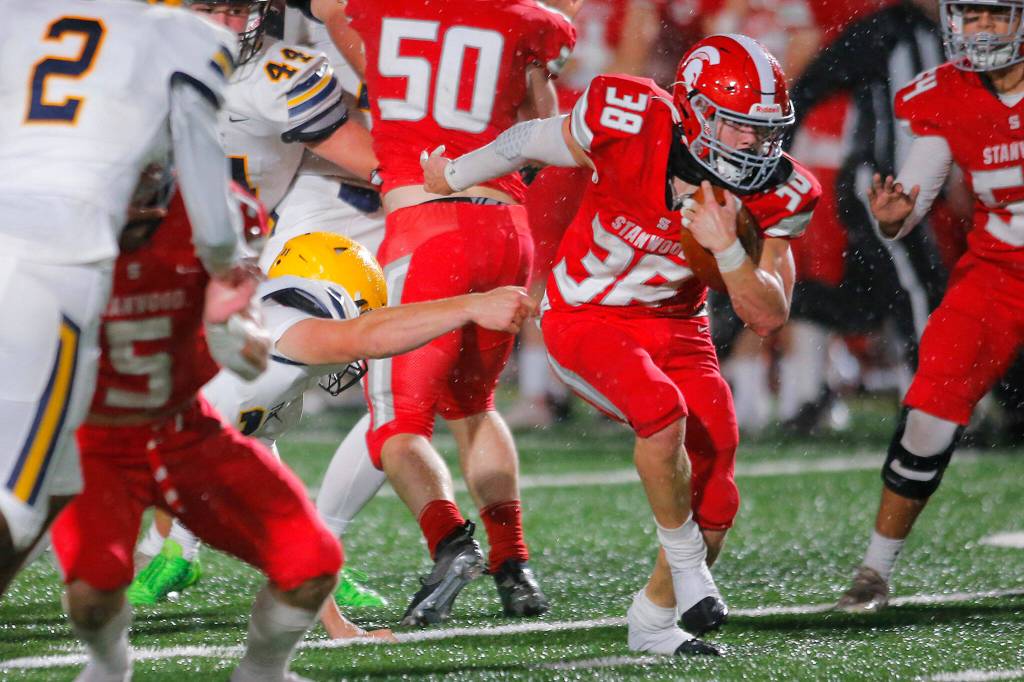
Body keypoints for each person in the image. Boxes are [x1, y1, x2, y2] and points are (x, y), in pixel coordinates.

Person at [423, 33, 821, 655]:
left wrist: (726, 249)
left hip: (678, 327)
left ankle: (654, 621)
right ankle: (690, 569)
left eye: (763, 130)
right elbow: (530, 140)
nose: (751, 143)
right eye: (735, 124)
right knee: (662, 415)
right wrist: (449, 173)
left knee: (717, 489)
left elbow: (767, 313)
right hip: (588, 313)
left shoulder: (784, 188)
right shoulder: (628, 116)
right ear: (689, 108)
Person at [324, 0, 576, 627]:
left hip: (425, 227)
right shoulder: (527, 20)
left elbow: (333, 16)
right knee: (473, 406)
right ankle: (513, 563)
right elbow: (543, 123)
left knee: (397, 423)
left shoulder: (380, 12)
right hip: (505, 228)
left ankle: (450, 543)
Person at [47, 191, 347, 682]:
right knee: (92, 593)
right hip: (93, 438)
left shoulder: (215, 213)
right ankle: (109, 665)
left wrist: (239, 332)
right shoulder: (47, 224)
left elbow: (245, 335)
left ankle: (262, 673)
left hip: (186, 429)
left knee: (312, 563)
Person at [0, 0, 246, 595]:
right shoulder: (181, 36)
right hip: (54, 260)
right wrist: (225, 264)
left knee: (59, 477)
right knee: (15, 501)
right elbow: (202, 165)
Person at [837, 0, 1024, 612]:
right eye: (970, 17)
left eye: (997, 16)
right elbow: (916, 189)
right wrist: (899, 215)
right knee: (930, 409)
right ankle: (874, 571)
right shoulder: (944, 93)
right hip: (998, 272)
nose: (981, 30)